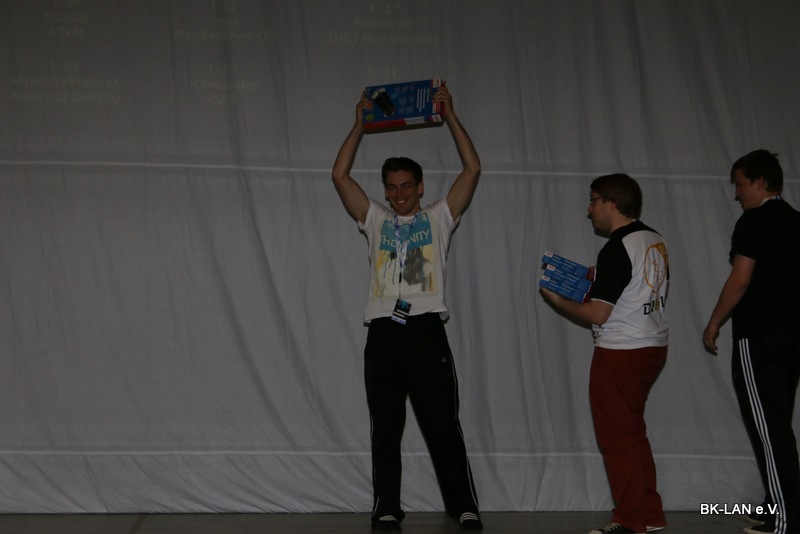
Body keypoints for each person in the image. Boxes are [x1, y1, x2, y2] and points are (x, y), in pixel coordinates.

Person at [331, 85, 483, 532]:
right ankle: (387, 506)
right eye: (392, 187)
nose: (399, 194)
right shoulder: (376, 219)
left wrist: (449, 115)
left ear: (420, 187)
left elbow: (472, 169)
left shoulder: (438, 218)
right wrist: (360, 126)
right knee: (386, 426)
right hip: (383, 331)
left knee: (442, 424)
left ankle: (463, 505)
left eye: (406, 187)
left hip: (425, 331)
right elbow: (339, 175)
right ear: (386, 190)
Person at [540, 174, 669, 534]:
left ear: (612, 203)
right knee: (633, 434)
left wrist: (558, 299)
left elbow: (598, 314)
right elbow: (634, 291)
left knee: (617, 439)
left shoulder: (616, 247)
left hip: (621, 352)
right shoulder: (654, 238)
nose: (589, 209)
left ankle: (630, 520)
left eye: (593, 200)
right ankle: (649, 514)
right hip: (652, 346)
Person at [702, 149, 800, 534]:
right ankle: (775, 504)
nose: (737, 193)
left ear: (760, 182)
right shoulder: (795, 220)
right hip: (793, 337)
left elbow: (740, 279)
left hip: (760, 337)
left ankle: (786, 517)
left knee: (769, 429)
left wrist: (714, 322)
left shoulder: (754, 221)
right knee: (777, 424)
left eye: (741, 185)